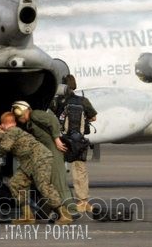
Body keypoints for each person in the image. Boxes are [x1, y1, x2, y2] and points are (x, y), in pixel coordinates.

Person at [0, 112, 72, 225]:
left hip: (39, 158)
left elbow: (4, 148)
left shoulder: (11, 131)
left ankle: (65, 214)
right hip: (29, 162)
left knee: (43, 185)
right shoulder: (14, 131)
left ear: (3, 124)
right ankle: (27, 215)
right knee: (16, 183)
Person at [49, 74, 98, 213]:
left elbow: (51, 116)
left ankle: (59, 201)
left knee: (58, 172)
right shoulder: (83, 100)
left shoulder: (57, 101)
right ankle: (83, 202)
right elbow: (93, 117)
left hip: (61, 141)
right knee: (80, 171)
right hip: (78, 142)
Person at [11, 100, 73, 207]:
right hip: (46, 152)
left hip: (54, 150)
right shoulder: (30, 122)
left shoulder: (35, 114)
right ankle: (51, 209)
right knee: (47, 182)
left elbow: (52, 120)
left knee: (58, 180)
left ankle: (71, 210)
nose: (18, 119)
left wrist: (56, 138)